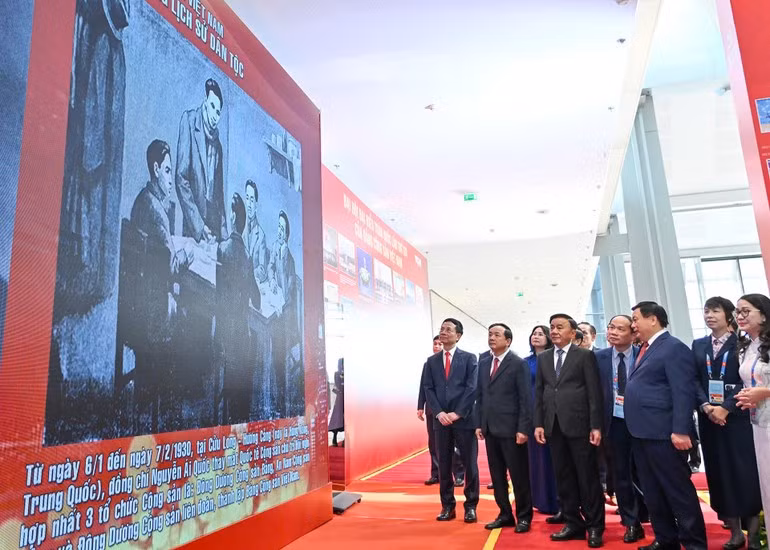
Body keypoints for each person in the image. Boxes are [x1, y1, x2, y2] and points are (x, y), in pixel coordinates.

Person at [55, 0, 129, 313]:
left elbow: (96, 113)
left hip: (94, 158)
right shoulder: (109, 48)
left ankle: (83, 278)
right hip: (93, 154)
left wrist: (89, 157)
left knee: (89, 210)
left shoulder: (104, 47)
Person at [627, 301, 707, 550]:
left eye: (636, 319)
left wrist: (681, 430)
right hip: (642, 432)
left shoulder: (673, 348)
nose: (633, 324)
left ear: (653, 319)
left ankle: (694, 543)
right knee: (652, 491)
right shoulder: (644, 348)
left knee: (678, 492)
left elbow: (682, 392)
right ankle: (665, 538)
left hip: (666, 433)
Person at [129, 139, 193, 431]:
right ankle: (170, 416)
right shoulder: (155, 211)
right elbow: (171, 268)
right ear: (156, 170)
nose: (171, 177)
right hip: (151, 317)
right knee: (192, 320)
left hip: (136, 307)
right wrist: (187, 252)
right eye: (168, 171)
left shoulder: (141, 200)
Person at [694, 297, 762, 550]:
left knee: (745, 474)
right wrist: (707, 406)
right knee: (719, 474)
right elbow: (694, 380)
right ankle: (734, 531)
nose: (709, 315)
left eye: (715, 311)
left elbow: (749, 380)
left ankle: (754, 533)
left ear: (729, 315)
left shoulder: (743, 344)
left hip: (739, 418)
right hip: (709, 419)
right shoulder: (699, 345)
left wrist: (726, 408)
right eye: (706, 311)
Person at [534, 314, 605, 548]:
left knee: (588, 478)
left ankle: (595, 526)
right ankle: (574, 523)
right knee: (563, 478)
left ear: (573, 332)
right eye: (552, 327)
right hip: (553, 426)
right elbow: (540, 394)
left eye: (559, 327)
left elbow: (594, 393)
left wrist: (596, 425)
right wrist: (539, 424)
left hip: (580, 426)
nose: (553, 331)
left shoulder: (584, 356)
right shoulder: (544, 358)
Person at [596, 315, 648, 544]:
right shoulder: (599, 358)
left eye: (620, 328)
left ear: (633, 333)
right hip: (614, 424)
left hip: (645, 424)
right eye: (610, 327)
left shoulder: (644, 356)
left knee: (648, 473)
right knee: (622, 475)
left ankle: (659, 516)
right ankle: (631, 522)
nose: (613, 332)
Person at [476, 323, 533, 532]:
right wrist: (479, 424)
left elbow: (525, 399)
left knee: (519, 476)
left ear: (507, 340)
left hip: (512, 430)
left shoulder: (518, 364)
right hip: (490, 429)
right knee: (497, 476)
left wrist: (523, 429)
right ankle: (505, 514)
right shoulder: (483, 363)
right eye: (490, 334)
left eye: (496, 334)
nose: (492, 337)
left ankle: (524, 516)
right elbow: (480, 396)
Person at [423, 318, 480, 523]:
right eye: (442, 329)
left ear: (458, 335)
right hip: (441, 421)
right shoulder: (432, 361)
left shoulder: (469, 358)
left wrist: (457, 413)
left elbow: (472, 388)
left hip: (464, 419)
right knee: (444, 464)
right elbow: (428, 388)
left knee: (470, 464)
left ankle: (471, 506)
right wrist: (438, 413)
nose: (443, 332)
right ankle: (447, 506)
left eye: (448, 330)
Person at [216, 193, 260, 424]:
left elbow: (217, 296)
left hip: (224, 333)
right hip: (241, 335)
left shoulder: (222, 250)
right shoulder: (247, 256)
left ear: (233, 218)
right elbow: (257, 299)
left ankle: (225, 412)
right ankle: (239, 417)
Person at [735, 294, 770, 536]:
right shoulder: (748, 346)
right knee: (767, 486)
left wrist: (764, 392)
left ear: (764, 314)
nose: (740, 316)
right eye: (737, 311)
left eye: (746, 311)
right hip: (758, 424)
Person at [176, 78, 226, 242]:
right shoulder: (189, 122)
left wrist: (224, 237)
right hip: (194, 225)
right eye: (212, 107)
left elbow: (219, 196)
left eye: (218, 112)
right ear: (205, 103)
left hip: (213, 227)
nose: (215, 116)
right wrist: (198, 225)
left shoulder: (218, 146)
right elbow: (181, 178)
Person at [418, 336, 465, 486]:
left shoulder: (459, 361)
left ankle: (458, 474)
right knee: (434, 444)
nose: (437, 346)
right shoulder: (429, 363)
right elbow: (424, 387)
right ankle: (436, 473)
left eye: (440, 344)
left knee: (455, 444)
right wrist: (420, 406)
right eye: (435, 344)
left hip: (452, 411)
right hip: (433, 411)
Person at [525, 325, 560, 518]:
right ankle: (540, 499)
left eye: (540, 334)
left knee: (554, 458)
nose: (536, 336)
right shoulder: (525, 362)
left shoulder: (554, 360)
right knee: (536, 459)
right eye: (534, 333)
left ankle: (557, 500)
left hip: (552, 413)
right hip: (531, 415)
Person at [244, 179, 268, 283]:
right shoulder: (240, 225)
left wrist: (248, 275)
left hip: (251, 284)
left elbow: (262, 270)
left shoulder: (261, 235)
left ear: (256, 205)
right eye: (247, 198)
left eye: (252, 200)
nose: (249, 204)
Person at [329, 358, 344, 446]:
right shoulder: (337, 374)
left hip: (346, 399)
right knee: (337, 419)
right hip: (339, 400)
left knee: (346, 420)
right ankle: (334, 438)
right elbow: (337, 386)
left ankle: (345, 441)